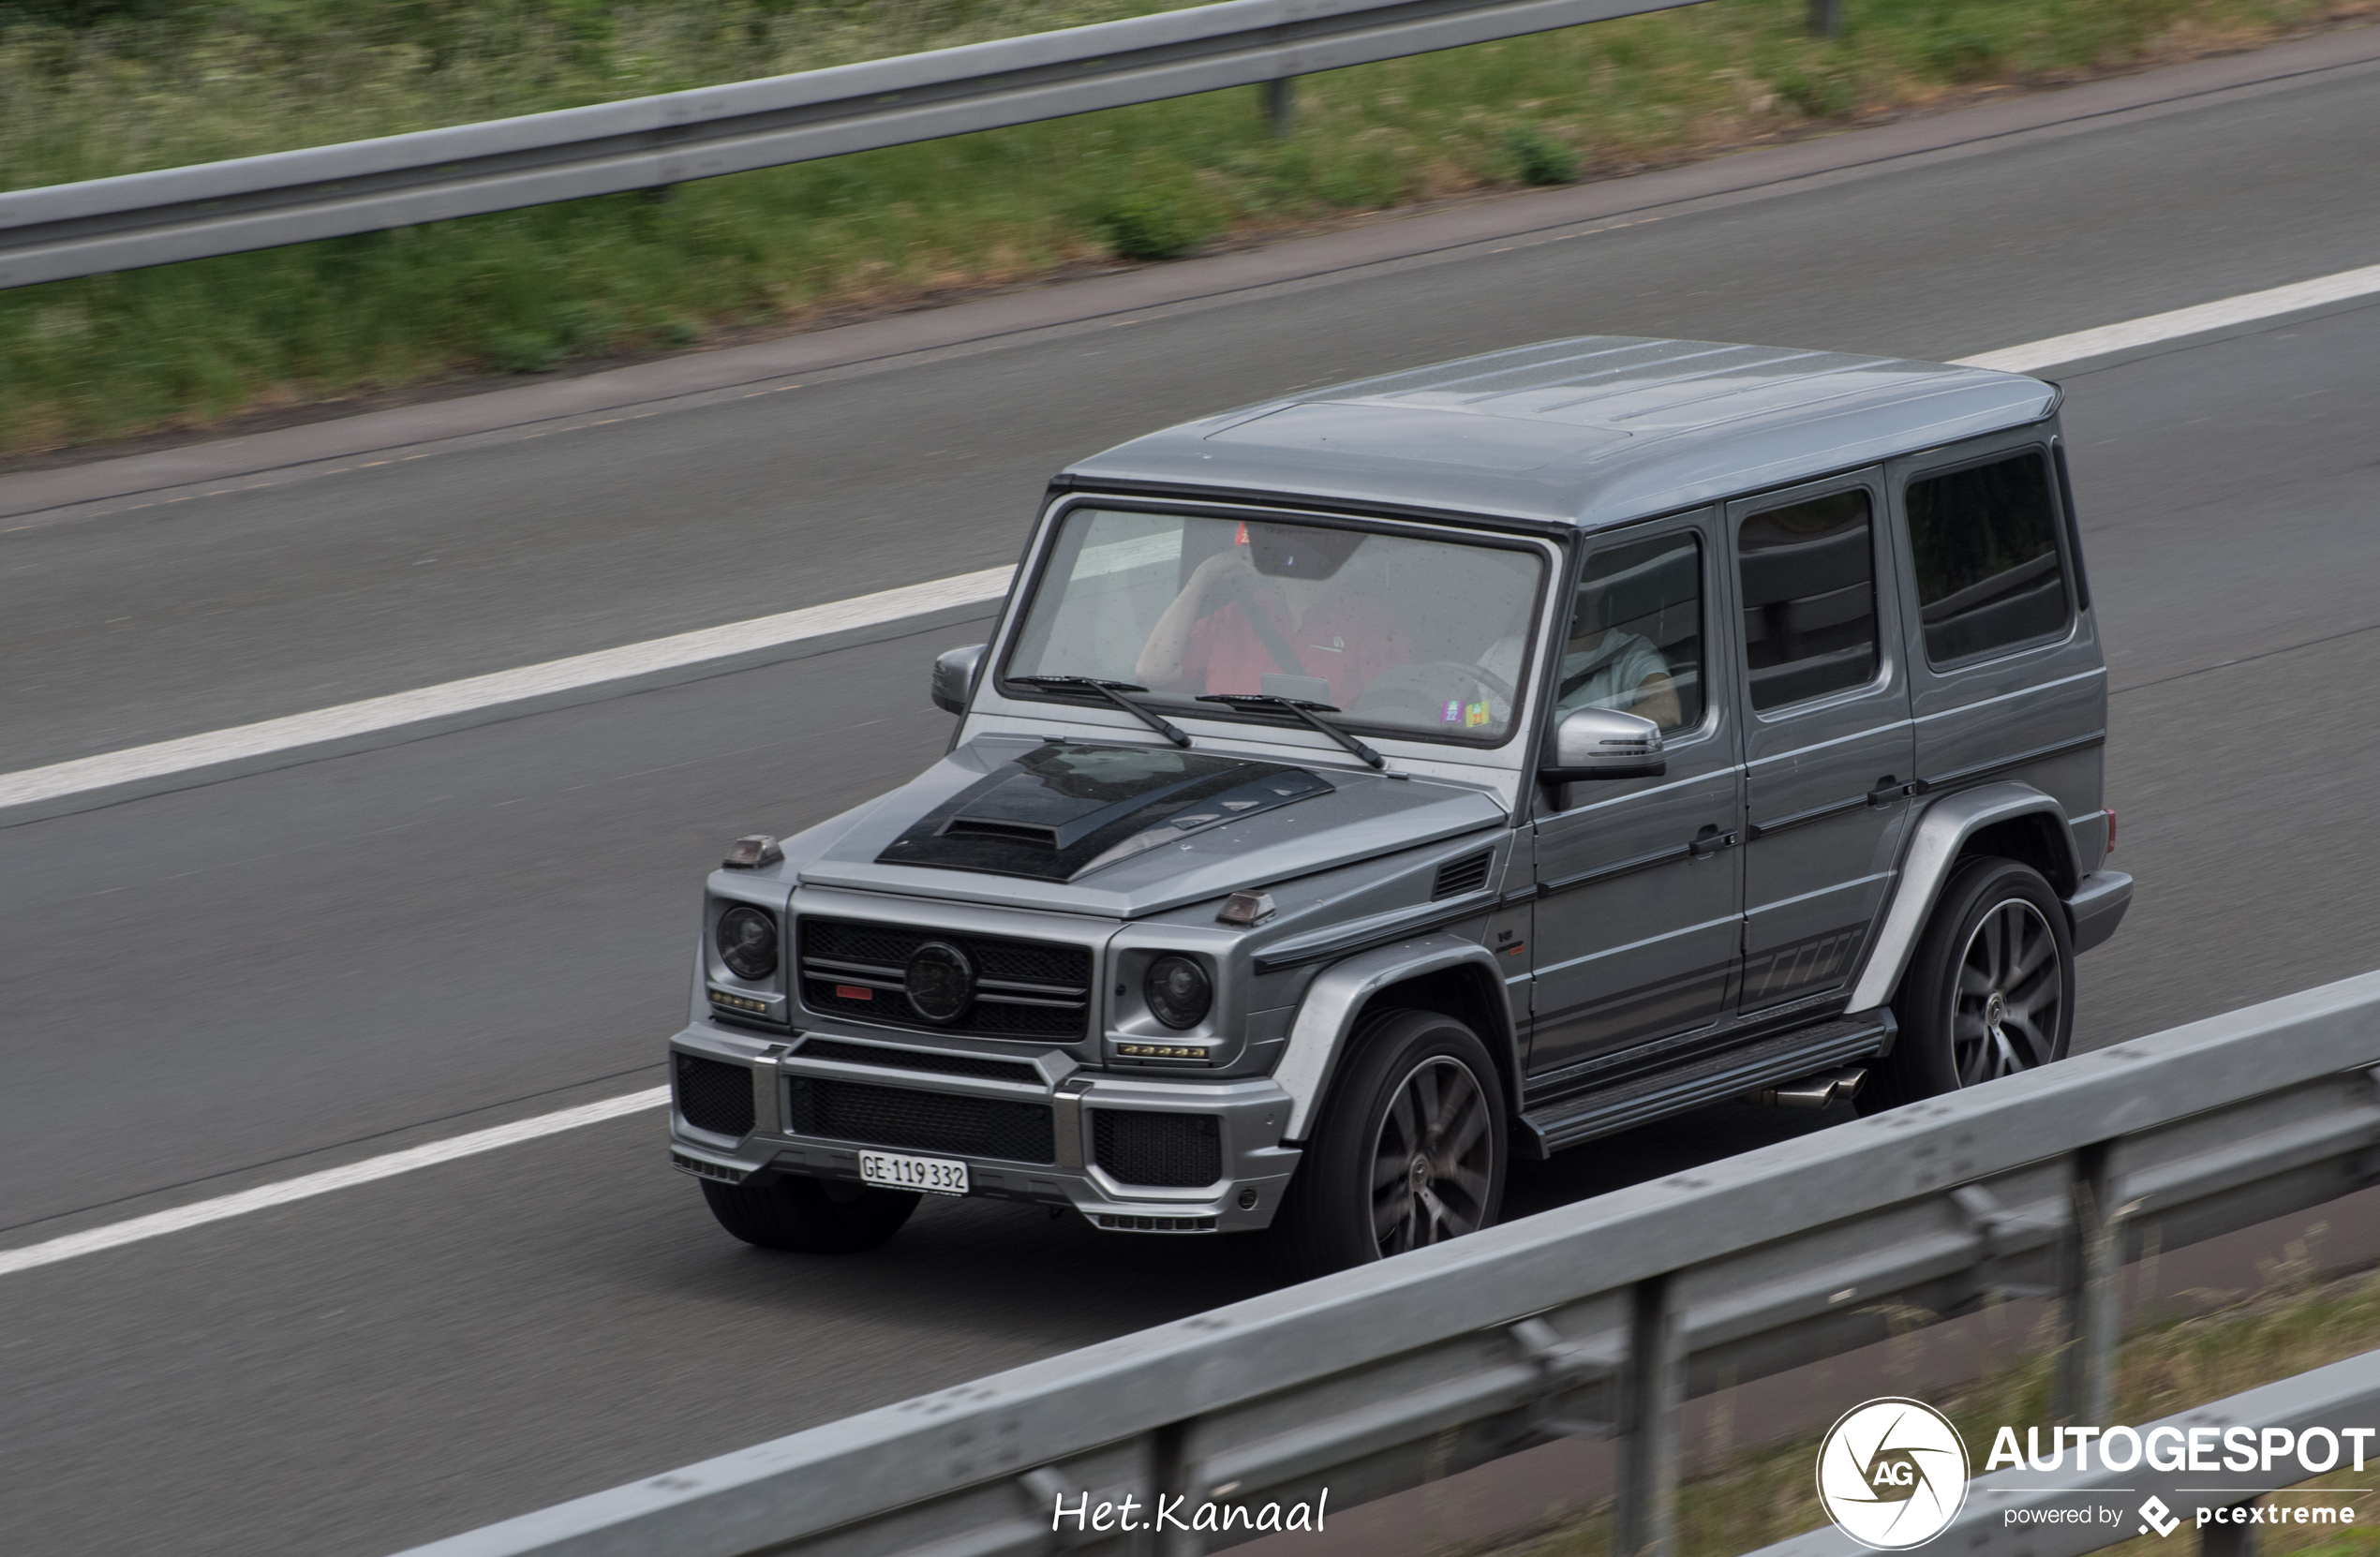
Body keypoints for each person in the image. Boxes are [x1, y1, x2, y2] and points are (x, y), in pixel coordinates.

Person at [1135, 522, 1406, 708]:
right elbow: (1153, 673)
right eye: (1284, 553)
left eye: (1306, 552)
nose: (1294, 564)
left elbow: (1390, 711)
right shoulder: (1243, 613)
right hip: (1229, 749)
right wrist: (1202, 577)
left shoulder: (1370, 622)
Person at [1554, 601, 1681, 729]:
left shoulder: (1630, 652)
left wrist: (1581, 737)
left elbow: (1666, 709)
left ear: (1597, 587)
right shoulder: (1537, 655)